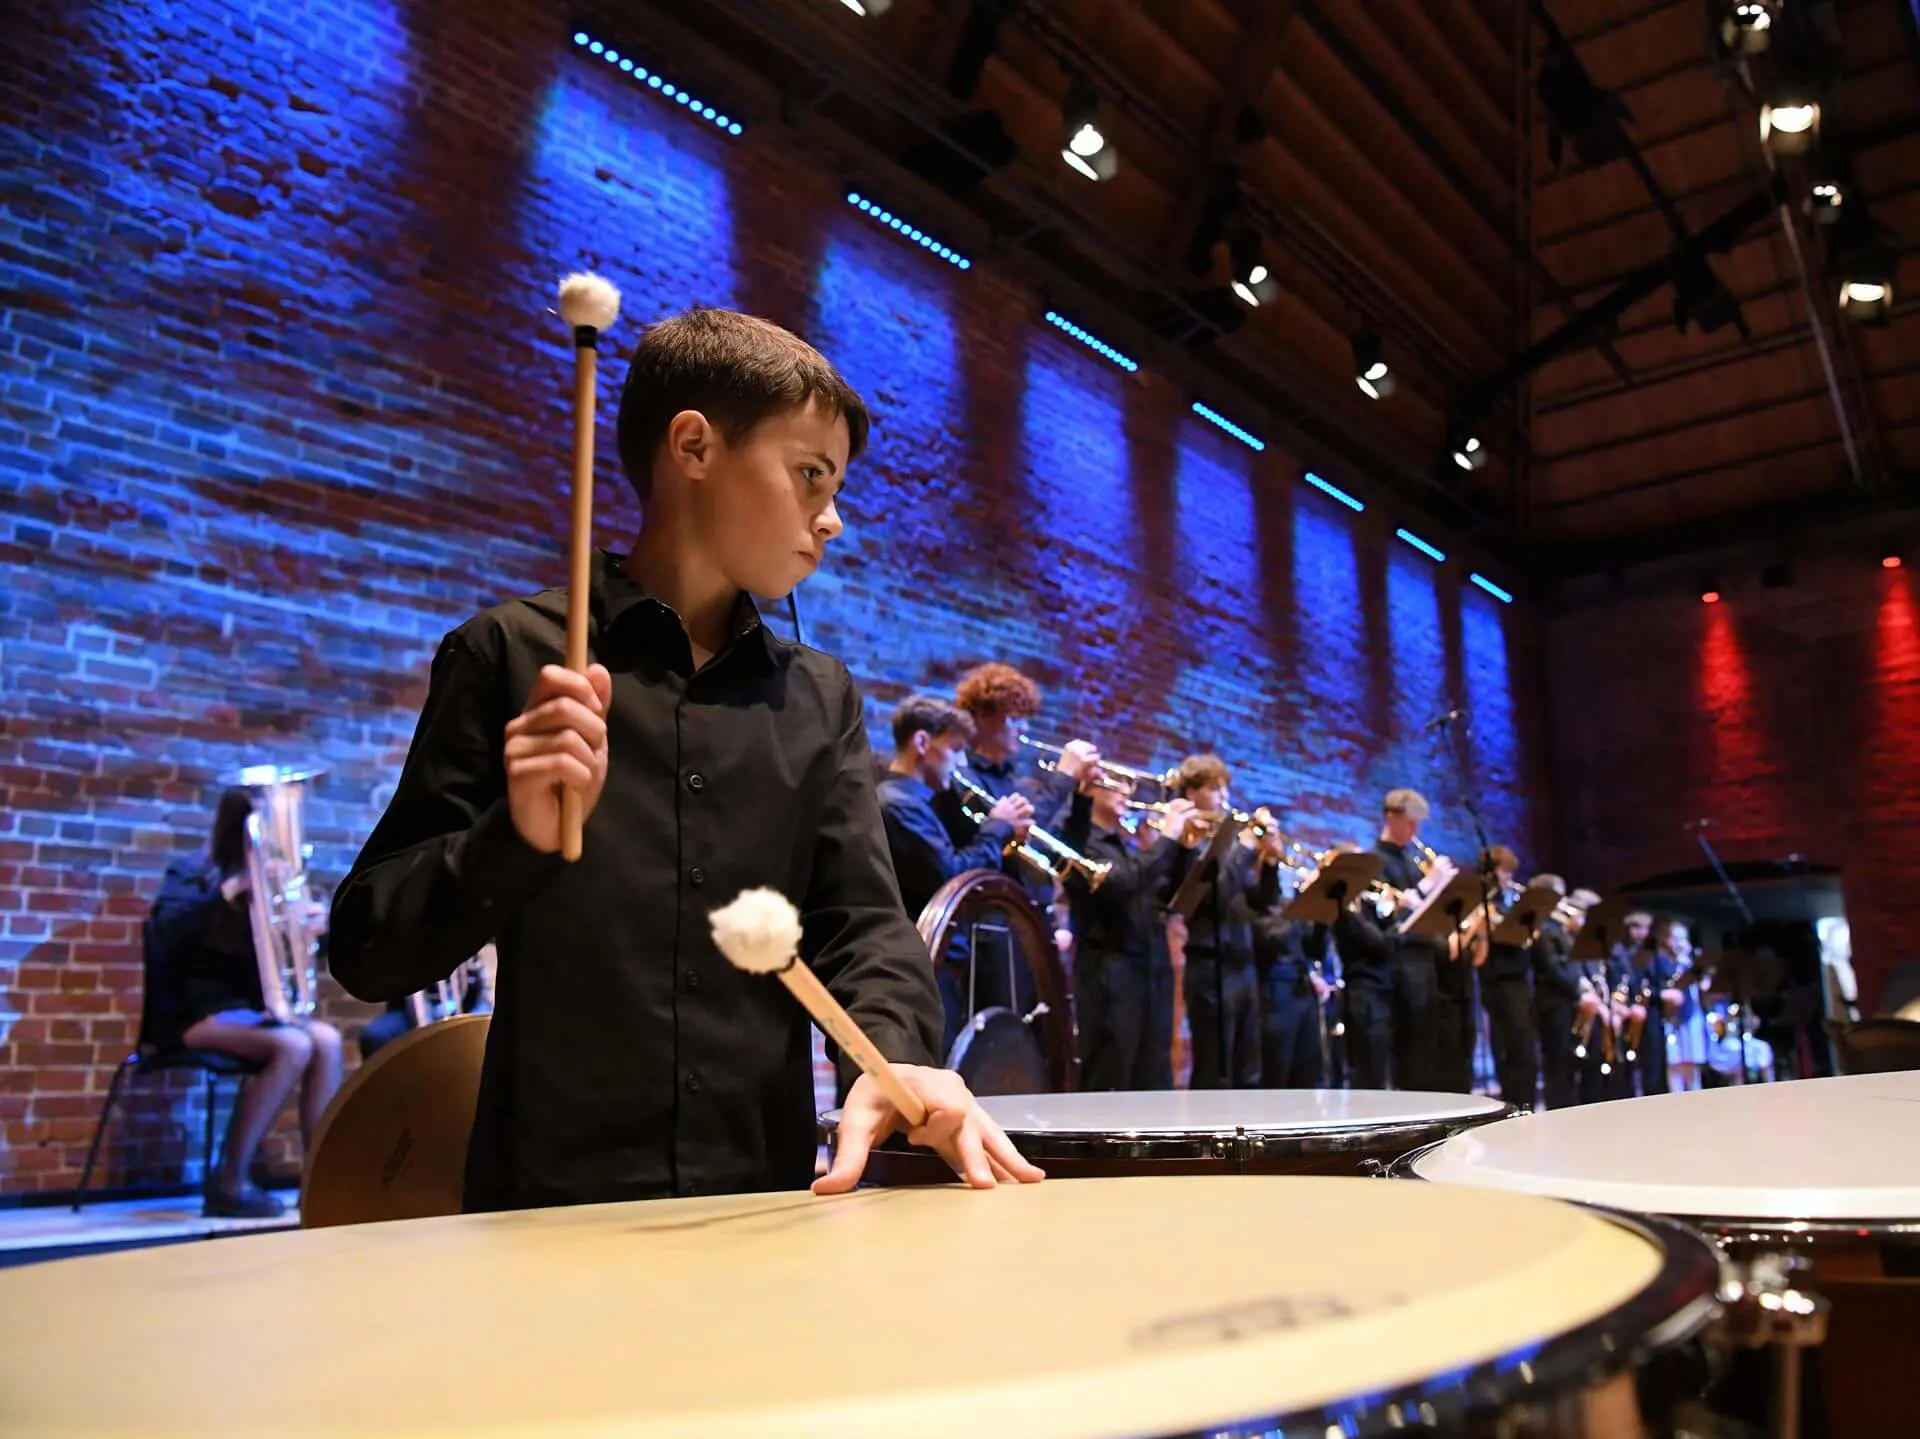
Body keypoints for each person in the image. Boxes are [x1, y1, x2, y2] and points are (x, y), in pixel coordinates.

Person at [328, 307, 1041, 1210]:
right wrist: (511, 838)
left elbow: (860, 920)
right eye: (810, 475)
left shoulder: (819, 696)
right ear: (694, 447)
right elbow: (367, 947)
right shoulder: (509, 654)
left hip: (761, 1202)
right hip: (544, 1210)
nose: (832, 521)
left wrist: (895, 1054)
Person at [145, 788, 344, 1218]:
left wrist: (318, 930)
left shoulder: (282, 882)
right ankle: (229, 1179)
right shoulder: (194, 873)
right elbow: (169, 934)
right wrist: (231, 891)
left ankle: (324, 1179)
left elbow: (297, 958)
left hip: (251, 1011)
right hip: (191, 1012)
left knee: (325, 1039)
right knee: (294, 1046)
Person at [876, 694, 1034, 1053]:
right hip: (919, 967)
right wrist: (997, 829)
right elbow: (949, 875)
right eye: (956, 748)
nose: (961, 762)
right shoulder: (897, 804)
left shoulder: (919, 803)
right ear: (921, 742)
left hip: (938, 964)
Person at [1054, 752, 1181, 1090]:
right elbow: (1121, 885)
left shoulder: (1126, 845)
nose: (1127, 791)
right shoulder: (1081, 841)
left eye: (1128, 783)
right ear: (1092, 787)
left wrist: (1183, 847)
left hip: (1144, 971)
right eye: (1117, 783)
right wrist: (1168, 839)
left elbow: (1159, 893)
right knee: (1113, 1073)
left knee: (1150, 1075)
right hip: (1108, 974)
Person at [1159, 755, 1281, 1089]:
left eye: (1225, 788)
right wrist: (1245, 849)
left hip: (1244, 966)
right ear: (1192, 792)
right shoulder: (1190, 842)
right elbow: (1212, 895)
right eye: (1214, 789)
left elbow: (1261, 901)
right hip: (1211, 968)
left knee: (1249, 1070)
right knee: (1216, 1072)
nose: (1224, 797)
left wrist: (1269, 861)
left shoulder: (1228, 845)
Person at [1333, 789, 1442, 1090]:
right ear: (1391, 817)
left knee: (1421, 1060)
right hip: (1393, 969)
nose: (1415, 831)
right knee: (1381, 1065)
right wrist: (1426, 887)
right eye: (1410, 823)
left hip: (1423, 965)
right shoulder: (1377, 863)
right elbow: (1386, 925)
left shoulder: (1411, 861)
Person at [1250, 846, 1332, 1090]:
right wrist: (1305, 902)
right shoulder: (1256, 903)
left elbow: (1314, 950)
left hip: (1301, 994)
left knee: (1306, 1075)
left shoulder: (1290, 905)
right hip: (1275, 998)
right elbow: (1274, 939)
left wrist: (1322, 915)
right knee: (1277, 1075)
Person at [1476, 846, 1537, 1109]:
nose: (1509, 877)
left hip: (1519, 978)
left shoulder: (1508, 900)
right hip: (1497, 980)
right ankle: (1513, 1104)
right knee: (1510, 1047)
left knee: (1524, 1047)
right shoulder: (1484, 901)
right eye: (1504, 871)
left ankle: (1526, 1102)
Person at [1528, 878, 1586, 1110]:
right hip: (1553, 1003)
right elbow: (1552, 968)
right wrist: (1577, 990)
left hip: (1568, 999)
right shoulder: (1543, 926)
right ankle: (1559, 1111)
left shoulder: (1560, 927)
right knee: (1558, 1063)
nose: (1564, 902)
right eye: (1560, 895)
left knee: (1570, 1062)